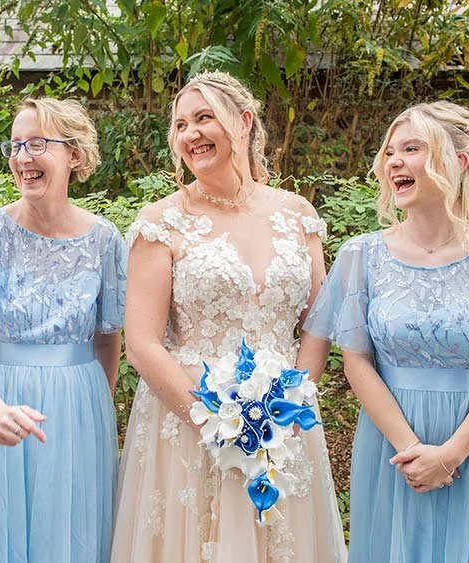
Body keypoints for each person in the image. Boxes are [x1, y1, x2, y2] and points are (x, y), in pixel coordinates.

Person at [304, 100, 469, 562]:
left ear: (459, 161)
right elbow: (357, 362)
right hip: (392, 450)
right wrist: (412, 450)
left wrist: (449, 454)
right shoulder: (359, 257)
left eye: (411, 149)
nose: (393, 163)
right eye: (389, 153)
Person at [111, 71, 347, 563]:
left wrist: (295, 400)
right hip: (190, 421)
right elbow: (143, 343)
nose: (191, 134)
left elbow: (316, 323)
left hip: (285, 423)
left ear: (242, 123)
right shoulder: (161, 222)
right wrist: (214, 422)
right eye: (181, 125)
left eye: (204, 119)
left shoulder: (297, 214)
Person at [0, 97, 125, 563]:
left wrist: (97, 410)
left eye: (37, 144)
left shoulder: (105, 240)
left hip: (79, 409)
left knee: (72, 534)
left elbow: (108, 339)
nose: (22, 158)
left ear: (74, 155)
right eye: (15, 146)